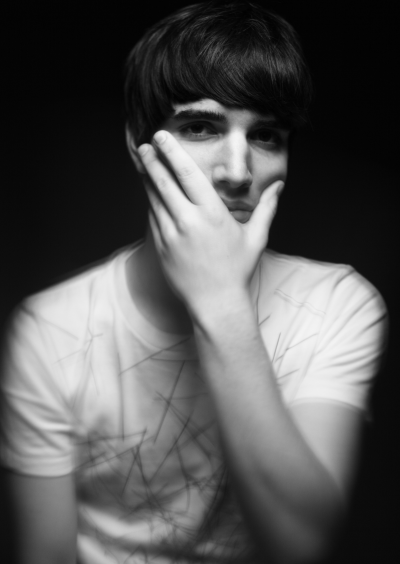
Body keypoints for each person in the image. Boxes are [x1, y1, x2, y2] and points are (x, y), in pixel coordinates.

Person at [0, 2, 388, 563]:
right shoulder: (50, 329)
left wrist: (220, 300)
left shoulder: (337, 305)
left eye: (266, 135)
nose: (237, 172)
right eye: (200, 127)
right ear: (138, 143)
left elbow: (301, 546)